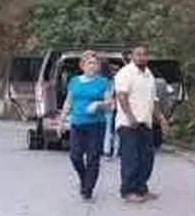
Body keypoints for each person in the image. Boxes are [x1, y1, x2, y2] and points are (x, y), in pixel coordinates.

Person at [115, 45, 169, 203]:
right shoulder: (125, 73)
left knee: (146, 158)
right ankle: (128, 191)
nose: (142, 57)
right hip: (128, 124)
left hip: (146, 122)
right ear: (131, 56)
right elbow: (122, 96)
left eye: (145, 54)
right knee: (131, 158)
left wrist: (161, 119)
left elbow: (154, 100)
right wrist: (130, 117)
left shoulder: (148, 75)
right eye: (138, 54)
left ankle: (141, 188)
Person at [59, 51, 115, 201]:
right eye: (89, 63)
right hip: (77, 124)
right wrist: (62, 120)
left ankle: (88, 189)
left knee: (92, 158)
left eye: (95, 63)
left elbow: (110, 105)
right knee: (75, 156)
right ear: (82, 65)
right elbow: (69, 101)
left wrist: (98, 104)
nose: (92, 66)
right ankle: (84, 179)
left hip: (96, 125)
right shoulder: (74, 81)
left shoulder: (104, 82)